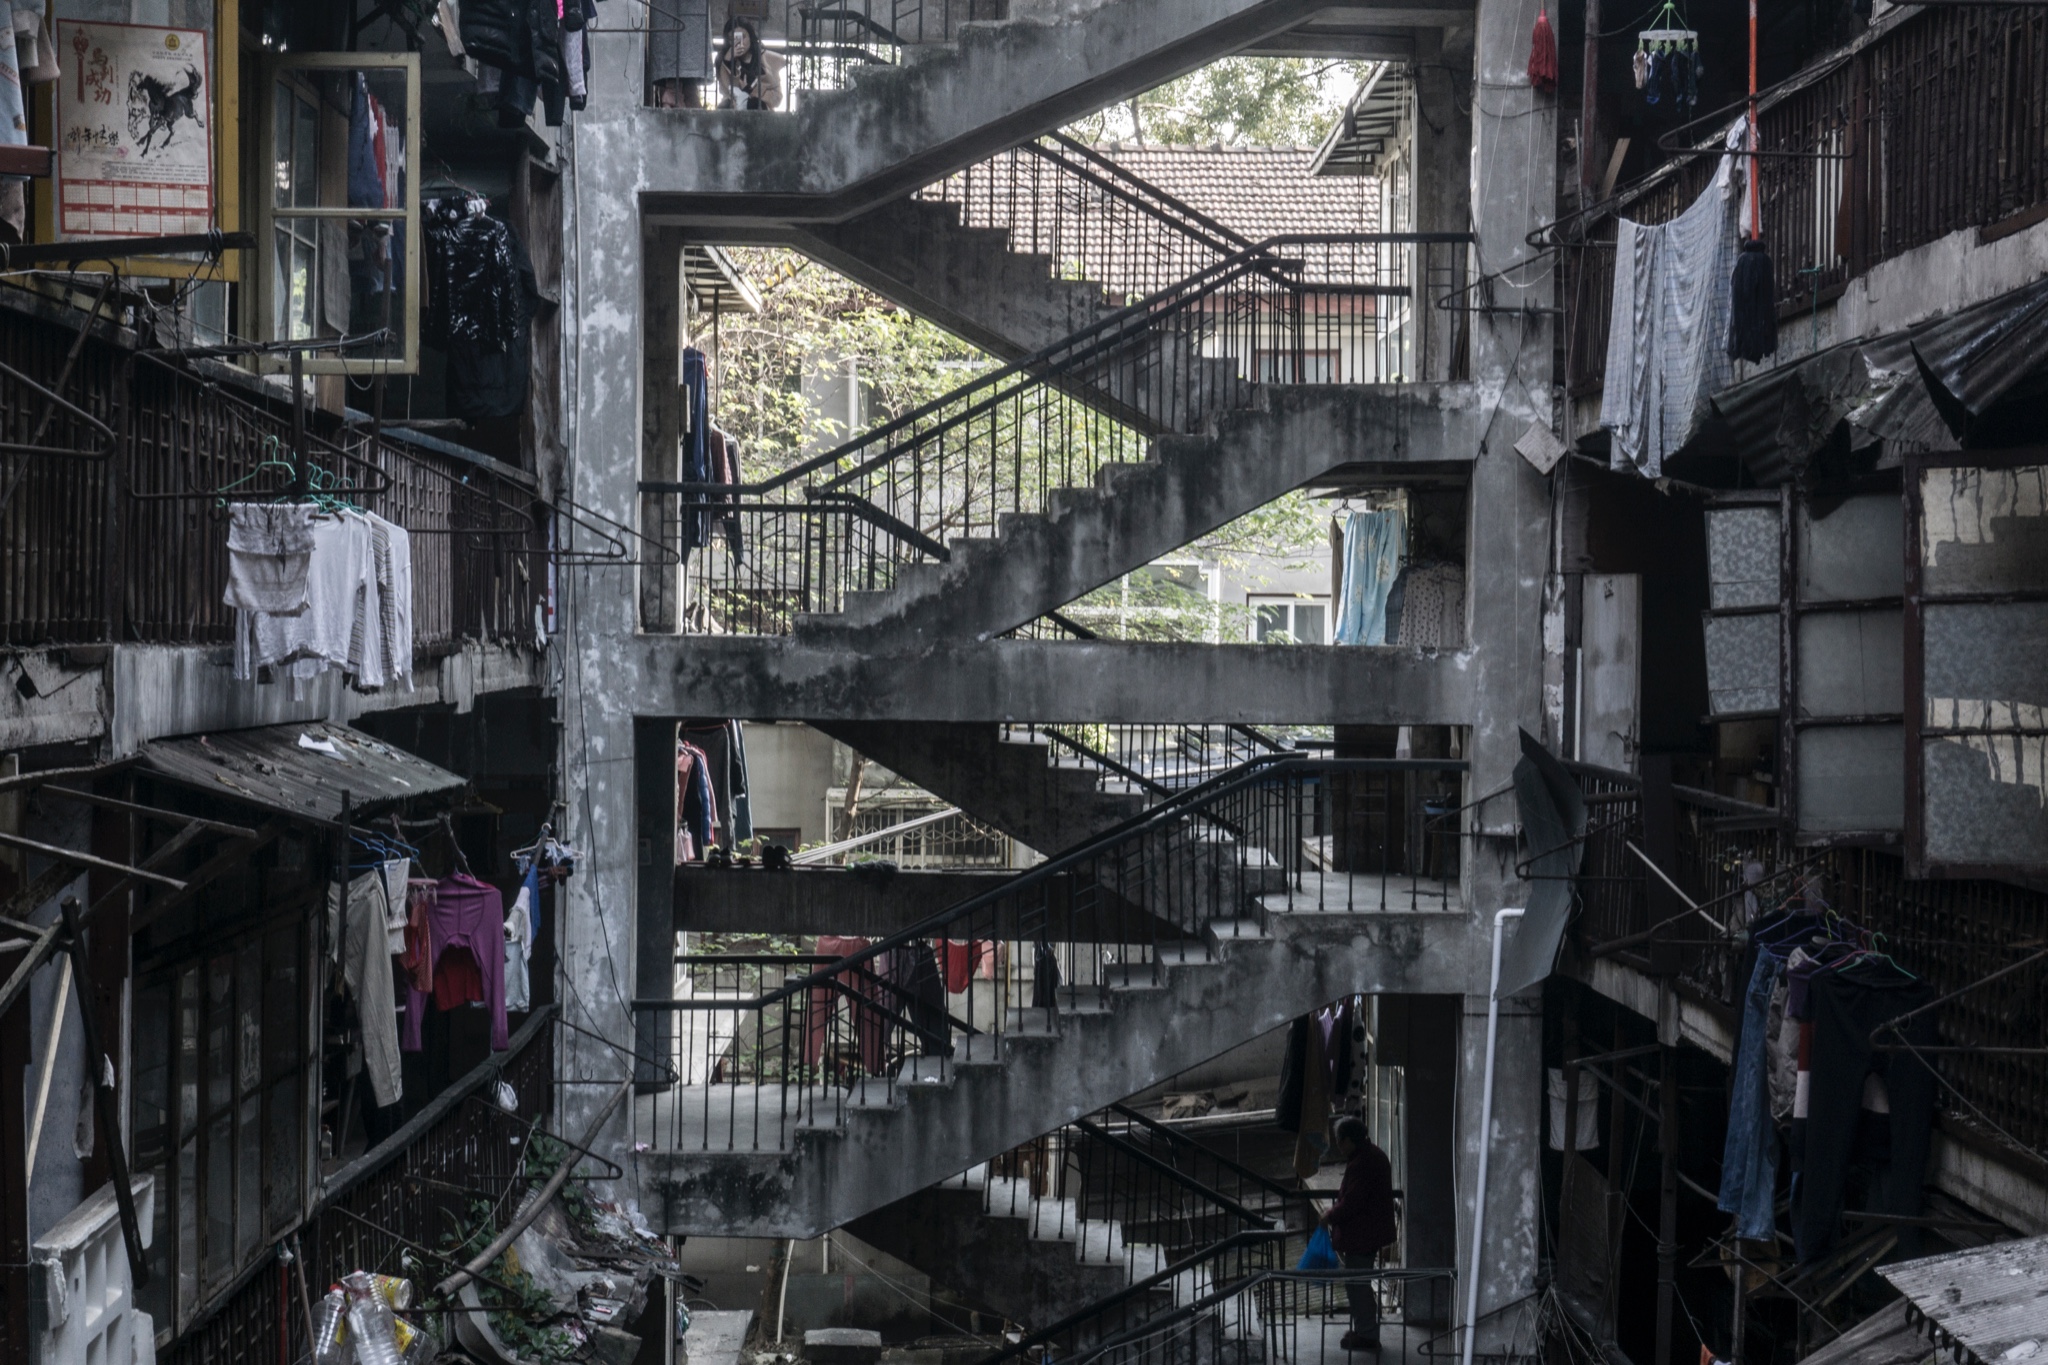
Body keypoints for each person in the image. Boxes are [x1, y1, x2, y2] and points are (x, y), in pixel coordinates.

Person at [1321, 1114, 1397, 1353]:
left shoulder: (1362, 1163)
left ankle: (1367, 1334)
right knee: (1358, 1282)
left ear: (1348, 1140)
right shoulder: (1372, 1155)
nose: (1339, 1146)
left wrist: (1329, 1214)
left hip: (1363, 1233)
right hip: (1369, 1231)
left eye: (1339, 1141)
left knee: (1358, 1284)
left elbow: (1352, 1202)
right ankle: (1364, 1329)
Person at [715, 17, 785, 110]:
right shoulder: (724, 59)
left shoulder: (767, 59)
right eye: (733, 39)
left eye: (742, 37)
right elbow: (726, 92)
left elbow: (777, 98)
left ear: (750, 36)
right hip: (734, 111)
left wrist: (751, 90)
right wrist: (727, 62)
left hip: (760, 111)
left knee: (754, 104)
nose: (738, 43)